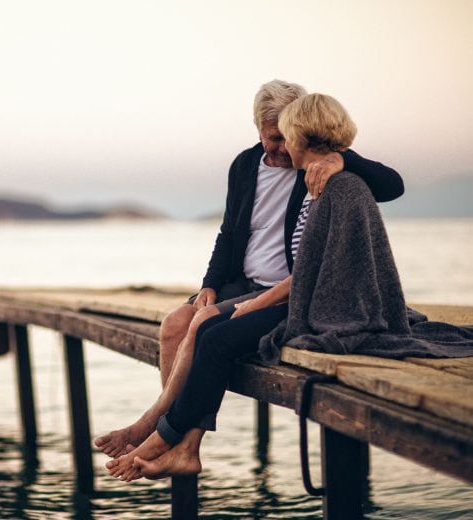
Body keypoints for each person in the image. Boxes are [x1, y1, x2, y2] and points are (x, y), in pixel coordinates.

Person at [106, 93, 473, 482]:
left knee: (208, 330)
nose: (281, 147)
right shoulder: (250, 165)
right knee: (177, 325)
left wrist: (343, 158)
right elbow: (232, 233)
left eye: (287, 137)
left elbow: (319, 260)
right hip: (269, 288)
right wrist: (211, 285)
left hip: (303, 299)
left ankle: (163, 436)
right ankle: (172, 438)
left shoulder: (330, 177)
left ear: (299, 133)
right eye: (272, 137)